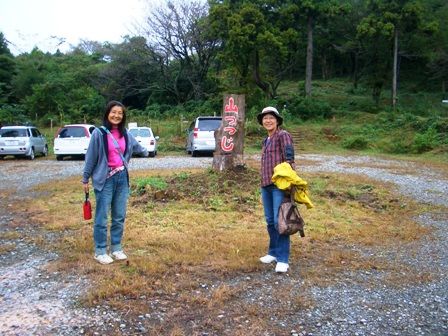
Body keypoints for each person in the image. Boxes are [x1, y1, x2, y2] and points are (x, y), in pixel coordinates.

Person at [82, 101, 148, 265]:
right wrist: (85, 178)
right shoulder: (99, 133)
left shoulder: (126, 133)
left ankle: (116, 248)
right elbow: (91, 157)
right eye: (113, 112)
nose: (116, 115)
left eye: (120, 113)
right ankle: (100, 251)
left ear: (123, 116)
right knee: (102, 217)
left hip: (122, 179)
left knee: (119, 216)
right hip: (105, 180)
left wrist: (149, 151)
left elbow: (138, 148)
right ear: (107, 113)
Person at [257, 106, 296, 273]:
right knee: (270, 221)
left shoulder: (283, 135)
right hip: (265, 185)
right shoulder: (265, 140)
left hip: (279, 186)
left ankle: (282, 259)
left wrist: (289, 184)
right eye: (265, 118)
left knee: (281, 221)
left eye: (271, 117)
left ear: (277, 120)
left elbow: (290, 159)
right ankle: (273, 252)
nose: (268, 120)